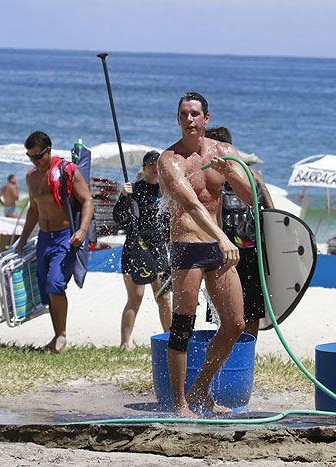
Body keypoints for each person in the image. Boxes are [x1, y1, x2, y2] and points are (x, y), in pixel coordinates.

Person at [158, 92, 253, 417]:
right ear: (178, 119)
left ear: (206, 119)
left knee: (235, 324)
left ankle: (200, 390)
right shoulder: (170, 159)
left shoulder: (223, 152)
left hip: (219, 245)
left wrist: (232, 174)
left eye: (195, 114)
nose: (189, 119)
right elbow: (191, 205)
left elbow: (250, 196)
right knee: (183, 325)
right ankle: (180, 403)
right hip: (188, 247)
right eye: (183, 114)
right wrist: (223, 238)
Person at [15, 131, 94, 353]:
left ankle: (61, 335)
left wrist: (82, 230)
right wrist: (21, 240)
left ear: (49, 150)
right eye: (30, 157)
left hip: (64, 236)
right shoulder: (31, 177)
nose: (35, 161)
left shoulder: (67, 171)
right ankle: (56, 335)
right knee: (46, 289)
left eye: (38, 156)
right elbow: (33, 209)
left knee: (55, 284)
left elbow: (87, 200)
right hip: (44, 238)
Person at [205, 126, 274, 338]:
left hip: (243, 252)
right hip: (228, 252)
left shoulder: (242, 177)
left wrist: (260, 183)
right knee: (226, 312)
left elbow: (269, 212)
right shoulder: (213, 179)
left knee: (249, 312)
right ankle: (233, 354)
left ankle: (244, 354)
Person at [113, 150, 172, 349]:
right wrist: (123, 197)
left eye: (158, 165)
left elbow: (171, 222)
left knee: (163, 297)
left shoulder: (166, 191)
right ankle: (124, 343)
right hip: (134, 246)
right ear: (144, 168)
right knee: (135, 297)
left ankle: (170, 340)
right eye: (150, 165)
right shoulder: (134, 190)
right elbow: (119, 218)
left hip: (158, 249)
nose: (155, 169)